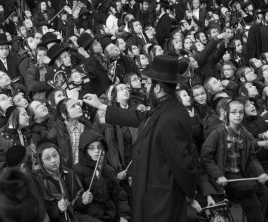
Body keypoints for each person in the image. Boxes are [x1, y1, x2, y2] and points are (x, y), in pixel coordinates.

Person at [82, 55, 197, 221]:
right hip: (153, 193)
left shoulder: (171, 117)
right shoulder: (164, 107)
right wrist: (101, 106)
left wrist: (188, 193)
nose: (145, 87)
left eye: (149, 83)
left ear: (157, 88)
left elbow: (182, 162)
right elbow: (139, 117)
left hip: (162, 199)